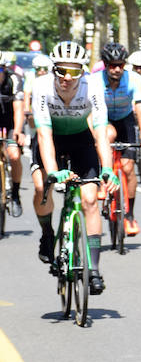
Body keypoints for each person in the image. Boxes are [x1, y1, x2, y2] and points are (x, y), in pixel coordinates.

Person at [30, 41, 116, 293]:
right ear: (52, 69)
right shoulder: (41, 86)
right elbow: (44, 135)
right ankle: (47, 233)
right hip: (52, 138)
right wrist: (54, 173)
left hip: (81, 140)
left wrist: (108, 168)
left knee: (90, 199)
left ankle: (95, 270)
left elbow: (100, 133)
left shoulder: (93, 86)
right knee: (40, 187)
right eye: (61, 71)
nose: (67, 78)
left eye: (74, 71)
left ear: (83, 72)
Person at [97, 42, 141, 236]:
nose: (117, 69)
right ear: (105, 65)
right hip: (102, 120)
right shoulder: (95, 80)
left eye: (121, 64)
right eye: (112, 65)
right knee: (107, 135)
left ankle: (129, 215)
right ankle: (102, 179)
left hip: (125, 119)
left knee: (128, 169)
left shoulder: (134, 79)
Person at [1, 53, 23, 210]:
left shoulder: (14, 79)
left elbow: (19, 109)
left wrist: (18, 131)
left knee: (14, 155)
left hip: (9, 123)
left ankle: (15, 193)